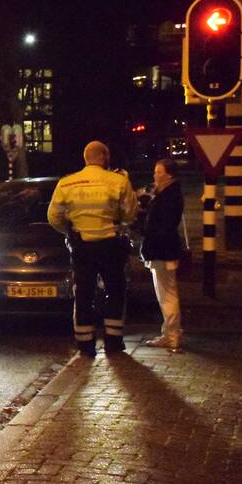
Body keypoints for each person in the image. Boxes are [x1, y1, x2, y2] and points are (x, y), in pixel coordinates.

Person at [47, 141, 138, 357]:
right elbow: (130, 214)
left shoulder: (67, 183)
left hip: (82, 247)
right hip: (110, 245)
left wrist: (70, 231)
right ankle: (113, 342)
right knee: (115, 291)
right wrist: (117, 221)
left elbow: (53, 217)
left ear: (86, 158)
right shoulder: (119, 181)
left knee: (84, 294)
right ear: (104, 157)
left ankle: (85, 345)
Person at [140, 158, 184, 351]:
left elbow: (162, 225)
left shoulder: (169, 196)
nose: (155, 175)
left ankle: (172, 336)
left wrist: (149, 236)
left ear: (169, 175)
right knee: (166, 292)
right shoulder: (166, 193)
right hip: (163, 249)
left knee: (166, 294)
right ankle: (170, 333)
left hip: (162, 250)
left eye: (159, 172)